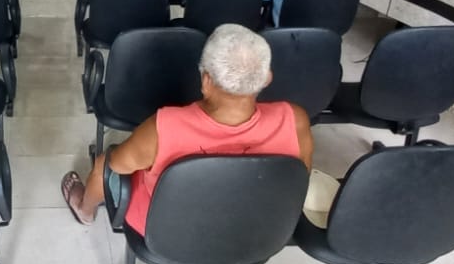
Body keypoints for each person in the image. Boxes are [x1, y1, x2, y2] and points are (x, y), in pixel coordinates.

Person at [59, 23, 314, 233]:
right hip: (252, 228)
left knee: (104, 165)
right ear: (267, 78)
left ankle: (84, 210)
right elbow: (297, 179)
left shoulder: (166, 126)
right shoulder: (295, 120)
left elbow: (115, 165)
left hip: (167, 230)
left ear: (206, 81)